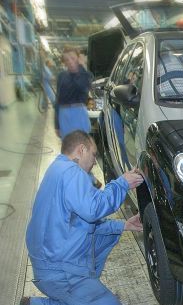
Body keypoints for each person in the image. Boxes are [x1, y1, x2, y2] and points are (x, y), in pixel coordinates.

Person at [23, 130, 144, 305]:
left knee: (79, 298)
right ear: (81, 150)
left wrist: (124, 225)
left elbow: (82, 224)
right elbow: (93, 209)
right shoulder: (71, 171)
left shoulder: (57, 169)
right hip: (61, 272)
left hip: (48, 266)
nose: (95, 162)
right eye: (93, 154)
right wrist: (122, 183)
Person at [55, 46, 92, 139]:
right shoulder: (61, 76)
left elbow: (82, 86)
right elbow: (58, 100)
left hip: (79, 113)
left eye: (72, 58)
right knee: (67, 146)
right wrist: (57, 124)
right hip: (64, 115)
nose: (70, 62)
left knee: (82, 144)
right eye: (66, 60)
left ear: (78, 58)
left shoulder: (86, 75)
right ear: (64, 62)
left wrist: (82, 66)